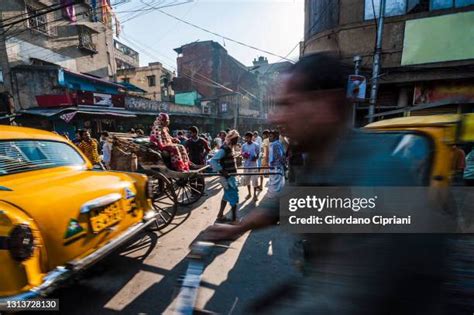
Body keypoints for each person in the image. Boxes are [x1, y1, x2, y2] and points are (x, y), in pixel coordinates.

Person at [204, 53, 453, 314]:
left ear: (327, 105)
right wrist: (236, 228)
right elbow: (290, 204)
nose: (275, 118)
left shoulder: (374, 179)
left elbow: (343, 300)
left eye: (288, 104)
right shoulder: (325, 158)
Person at [209, 130, 240, 222]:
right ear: (232, 139)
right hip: (227, 178)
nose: (237, 141)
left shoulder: (230, 147)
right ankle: (234, 220)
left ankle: (220, 215)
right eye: (236, 139)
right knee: (234, 197)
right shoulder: (224, 149)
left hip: (230, 176)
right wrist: (222, 171)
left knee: (226, 196)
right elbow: (213, 161)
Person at [241, 131, 260, 201]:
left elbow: (258, 154)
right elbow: (242, 154)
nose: (246, 139)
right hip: (246, 165)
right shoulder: (243, 145)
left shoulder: (256, 145)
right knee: (247, 180)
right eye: (246, 138)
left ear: (251, 138)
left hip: (254, 165)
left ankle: (255, 194)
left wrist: (256, 157)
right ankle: (249, 193)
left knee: (255, 180)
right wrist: (244, 155)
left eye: (248, 138)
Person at [267, 130, 285, 197]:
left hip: (276, 167)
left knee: (276, 185)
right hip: (274, 166)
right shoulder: (275, 144)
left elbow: (279, 156)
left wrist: (283, 164)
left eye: (271, 136)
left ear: (275, 137)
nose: (269, 138)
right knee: (275, 184)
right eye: (269, 136)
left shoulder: (275, 144)